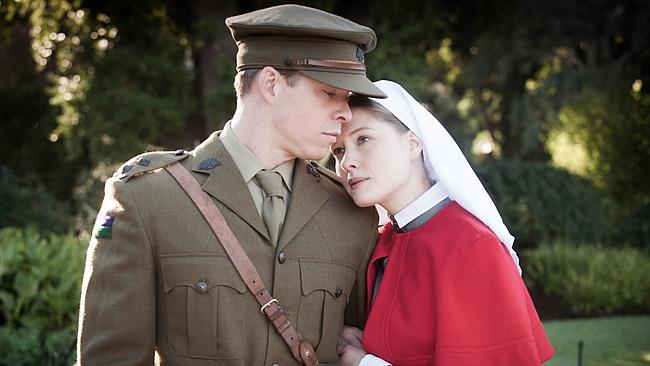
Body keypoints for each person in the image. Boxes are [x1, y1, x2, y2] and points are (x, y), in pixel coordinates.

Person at [77, 4, 387, 365]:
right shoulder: (148, 199)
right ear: (271, 84)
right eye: (329, 93)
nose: (345, 113)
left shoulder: (350, 214)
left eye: (347, 100)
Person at [332, 80, 555, 365]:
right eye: (338, 150)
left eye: (363, 139)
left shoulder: (470, 245)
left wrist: (364, 363)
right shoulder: (386, 239)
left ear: (413, 143)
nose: (346, 162)